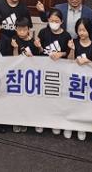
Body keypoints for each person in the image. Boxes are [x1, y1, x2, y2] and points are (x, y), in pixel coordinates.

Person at [33, 8, 71, 136]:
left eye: (56, 21)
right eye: (51, 20)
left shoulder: (66, 36)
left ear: (61, 22)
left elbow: (68, 54)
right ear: (48, 20)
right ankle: (41, 121)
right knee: (42, 97)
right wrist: (38, 46)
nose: (54, 23)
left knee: (57, 98)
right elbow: (40, 52)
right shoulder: (43, 32)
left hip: (59, 72)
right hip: (44, 70)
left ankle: (55, 122)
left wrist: (61, 53)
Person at [68, 17, 92, 141]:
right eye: (79, 30)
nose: (81, 33)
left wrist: (88, 61)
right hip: (73, 80)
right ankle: (68, 125)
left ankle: (81, 127)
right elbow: (68, 61)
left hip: (87, 82)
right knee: (71, 103)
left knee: (83, 105)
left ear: (89, 31)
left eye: (84, 30)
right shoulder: (74, 42)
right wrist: (72, 50)